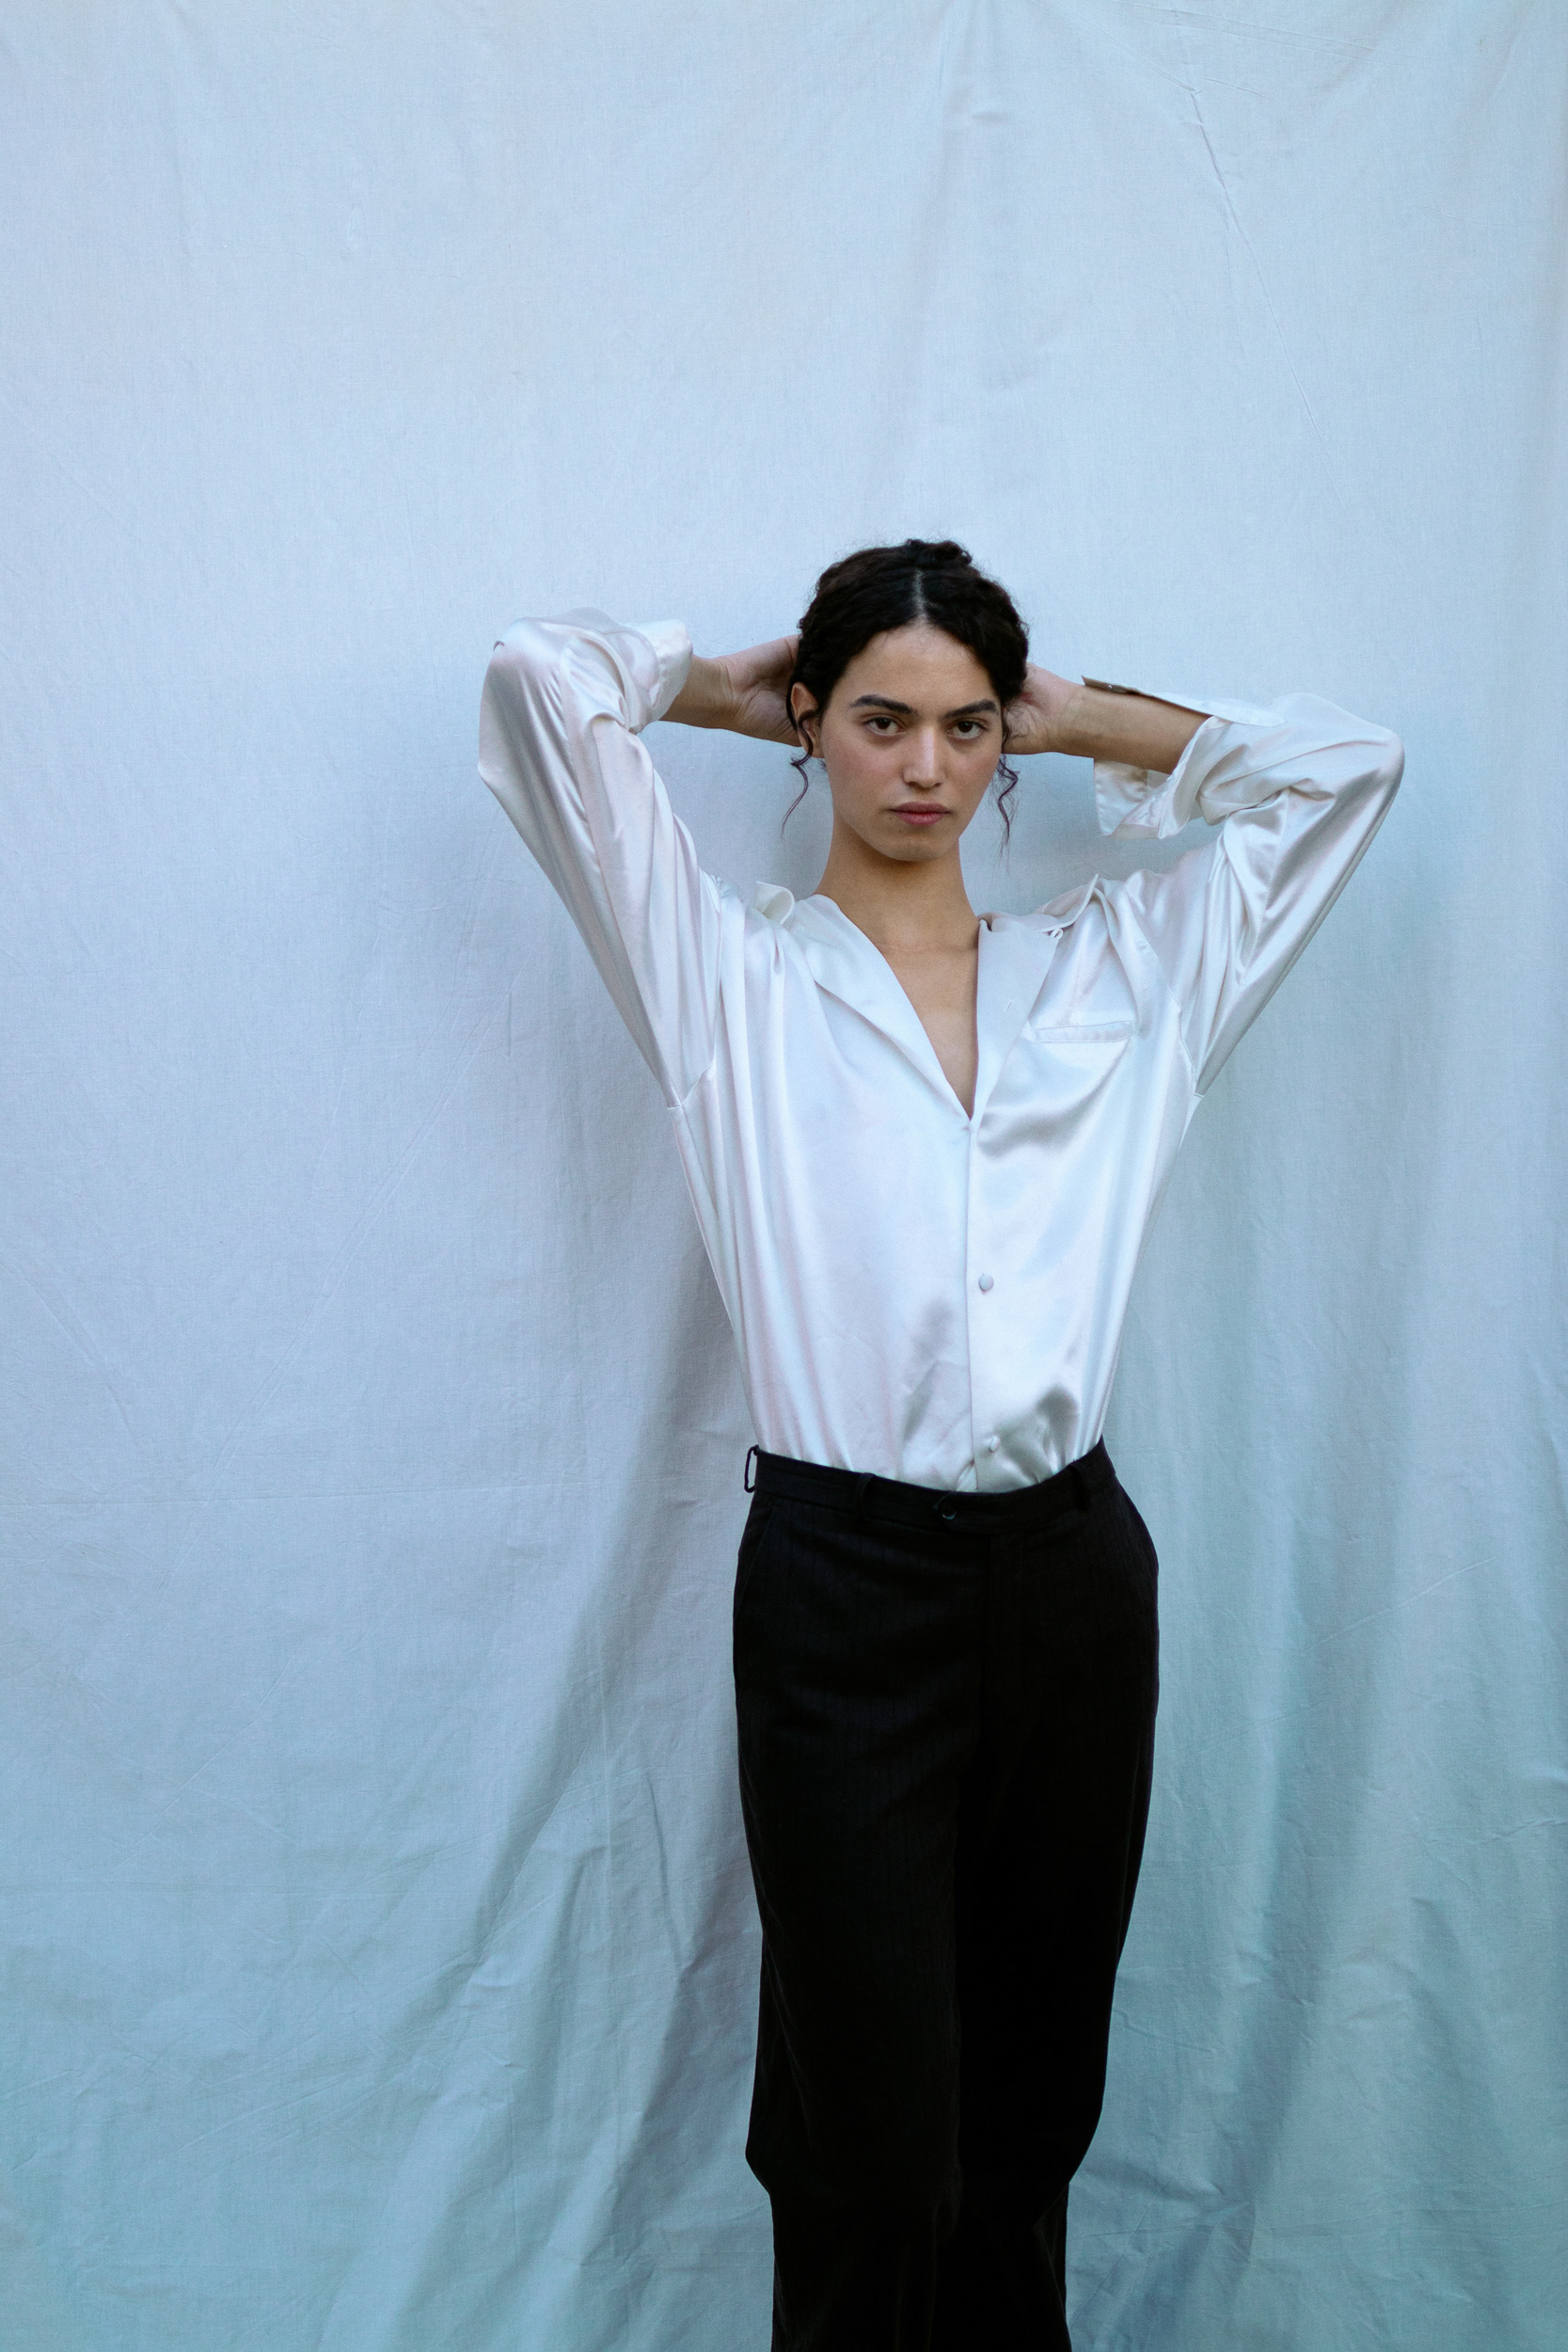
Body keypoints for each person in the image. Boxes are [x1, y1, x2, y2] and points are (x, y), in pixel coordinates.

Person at [477, 539, 1402, 2351]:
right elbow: (536, 684)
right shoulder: (727, 979)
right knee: (871, 2137)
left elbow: (1348, 774)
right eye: (879, 721)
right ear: (814, 726)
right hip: (843, 1592)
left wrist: (1084, 720)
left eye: (966, 727)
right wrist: (719, 689)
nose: (926, 768)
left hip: (1071, 1582)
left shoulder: (1122, 973)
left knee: (1029, 2110)